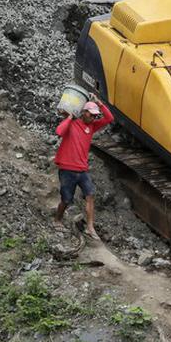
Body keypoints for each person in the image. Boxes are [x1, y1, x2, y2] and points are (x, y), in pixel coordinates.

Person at [53, 95, 114, 239]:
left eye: (95, 116)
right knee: (66, 199)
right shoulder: (72, 123)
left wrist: (99, 102)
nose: (93, 118)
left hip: (82, 169)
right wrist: (69, 117)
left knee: (90, 195)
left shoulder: (92, 127)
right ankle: (57, 219)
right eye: (91, 115)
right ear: (84, 112)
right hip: (67, 168)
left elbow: (109, 118)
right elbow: (59, 132)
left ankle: (90, 227)